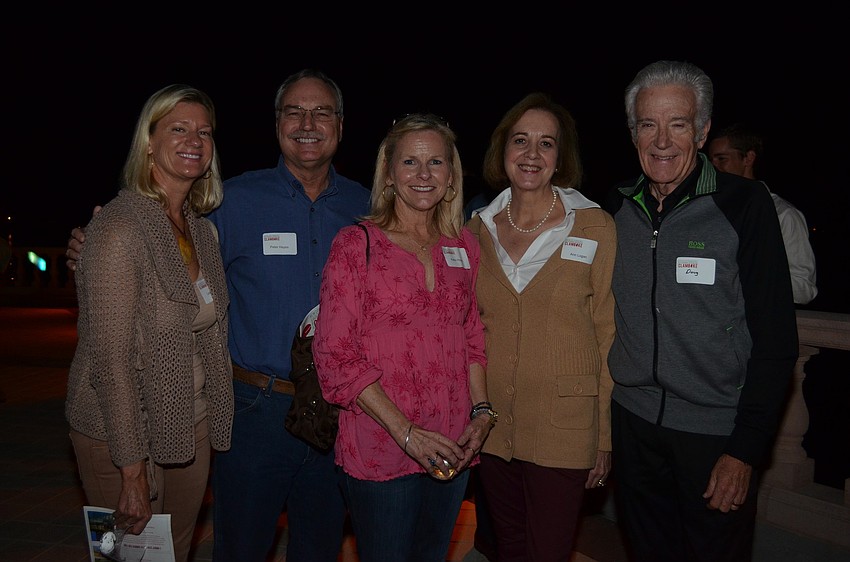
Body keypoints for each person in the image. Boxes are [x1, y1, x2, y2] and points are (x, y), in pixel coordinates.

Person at [65, 69, 371, 562]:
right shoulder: (233, 201)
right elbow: (136, 252)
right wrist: (91, 245)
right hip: (254, 408)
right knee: (235, 548)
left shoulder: (369, 206)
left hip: (336, 409)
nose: (307, 123)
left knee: (318, 546)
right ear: (277, 123)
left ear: (341, 124)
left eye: (321, 112)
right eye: (294, 111)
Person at [602, 60, 799, 562]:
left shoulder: (745, 205)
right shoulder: (615, 210)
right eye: (648, 124)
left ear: (703, 130)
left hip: (715, 434)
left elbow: (777, 338)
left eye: (678, 124)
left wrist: (745, 449)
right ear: (632, 132)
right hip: (633, 425)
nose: (661, 141)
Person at [312, 113, 493, 562]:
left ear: (451, 177)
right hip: (382, 444)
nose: (423, 174)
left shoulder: (464, 246)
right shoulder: (356, 245)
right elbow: (335, 356)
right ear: (389, 174)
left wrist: (482, 412)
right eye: (410, 162)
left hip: (452, 442)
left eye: (436, 162)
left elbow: (472, 336)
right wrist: (406, 433)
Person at [64, 84, 233, 562]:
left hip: (188, 421)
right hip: (118, 433)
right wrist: (132, 471)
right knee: (127, 557)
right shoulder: (119, 228)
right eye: (178, 129)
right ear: (149, 143)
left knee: (173, 552)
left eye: (204, 132)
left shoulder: (201, 229)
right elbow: (110, 362)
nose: (194, 140)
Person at [466, 92, 616, 562]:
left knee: (548, 551)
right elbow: (468, 328)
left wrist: (604, 437)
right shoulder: (475, 231)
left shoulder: (595, 226)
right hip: (494, 424)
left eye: (546, 143)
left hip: (565, 427)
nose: (532, 154)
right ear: (502, 149)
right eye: (521, 140)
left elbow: (607, 333)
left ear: (560, 155)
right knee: (508, 547)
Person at [707, 122, 818, 305]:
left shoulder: (783, 215)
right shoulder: (711, 212)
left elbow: (804, 288)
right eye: (711, 160)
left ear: (748, 158)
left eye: (722, 159)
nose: (713, 166)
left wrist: (749, 276)